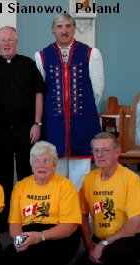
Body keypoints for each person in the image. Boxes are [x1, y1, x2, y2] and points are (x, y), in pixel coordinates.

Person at [67, 132, 140, 265]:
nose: (100, 155)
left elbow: (135, 224)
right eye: (96, 150)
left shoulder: (130, 179)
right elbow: (81, 213)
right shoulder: (89, 179)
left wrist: (103, 245)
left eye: (105, 150)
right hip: (102, 238)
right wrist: (88, 243)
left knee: (116, 252)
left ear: (117, 152)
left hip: (133, 238)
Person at [0, 26, 45, 232]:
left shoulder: (28, 64)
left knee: (26, 175)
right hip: (0, 130)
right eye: (3, 40)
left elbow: (39, 93)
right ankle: (4, 217)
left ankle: (28, 215)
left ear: (17, 42)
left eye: (10, 40)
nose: (6, 44)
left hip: (25, 129)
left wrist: (37, 123)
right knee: (1, 176)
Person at [35, 13, 104, 190]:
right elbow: (40, 91)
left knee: (82, 172)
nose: (64, 31)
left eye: (68, 26)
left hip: (82, 122)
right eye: (59, 27)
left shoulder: (91, 53)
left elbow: (97, 90)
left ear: (73, 29)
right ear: (53, 30)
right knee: (55, 170)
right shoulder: (42, 56)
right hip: (53, 123)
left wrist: (84, 110)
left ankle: (80, 214)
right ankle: (59, 212)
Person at [0, 141, 81, 265]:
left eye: (46, 161)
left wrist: (41, 236)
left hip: (59, 236)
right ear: (31, 165)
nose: (41, 165)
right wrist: (19, 240)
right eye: (36, 161)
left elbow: (69, 226)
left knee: (37, 258)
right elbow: (14, 222)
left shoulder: (66, 186)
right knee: (8, 259)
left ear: (54, 164)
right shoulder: (21, 186)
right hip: (29, 233)